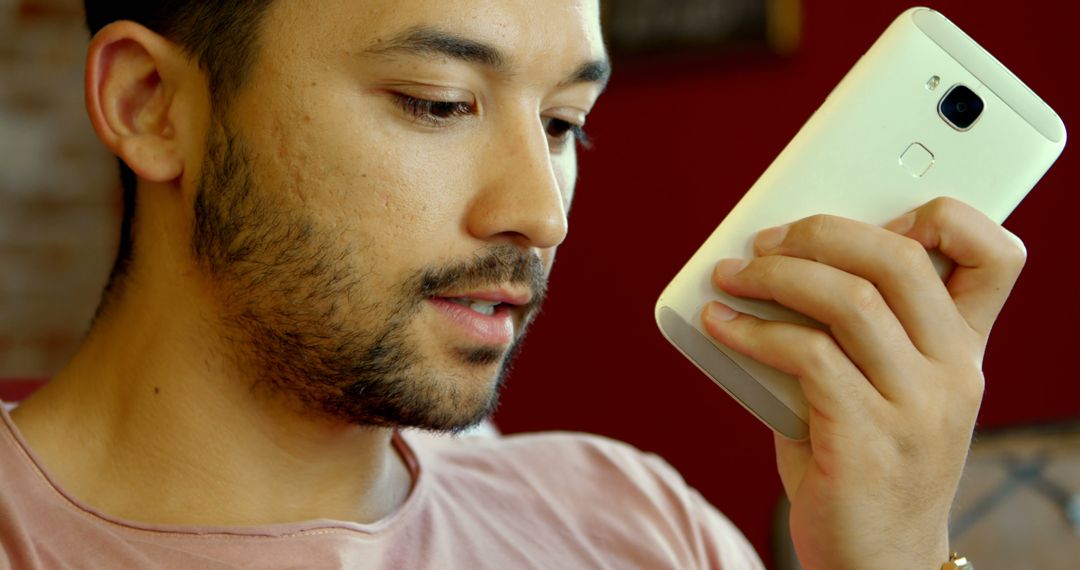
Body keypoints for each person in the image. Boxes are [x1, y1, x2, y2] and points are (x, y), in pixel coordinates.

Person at [0, 1, 1024, 568]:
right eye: (439, 103)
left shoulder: (636, 523)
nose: (543, 214)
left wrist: (892, 560)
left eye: (564, 124)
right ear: (150, 105)